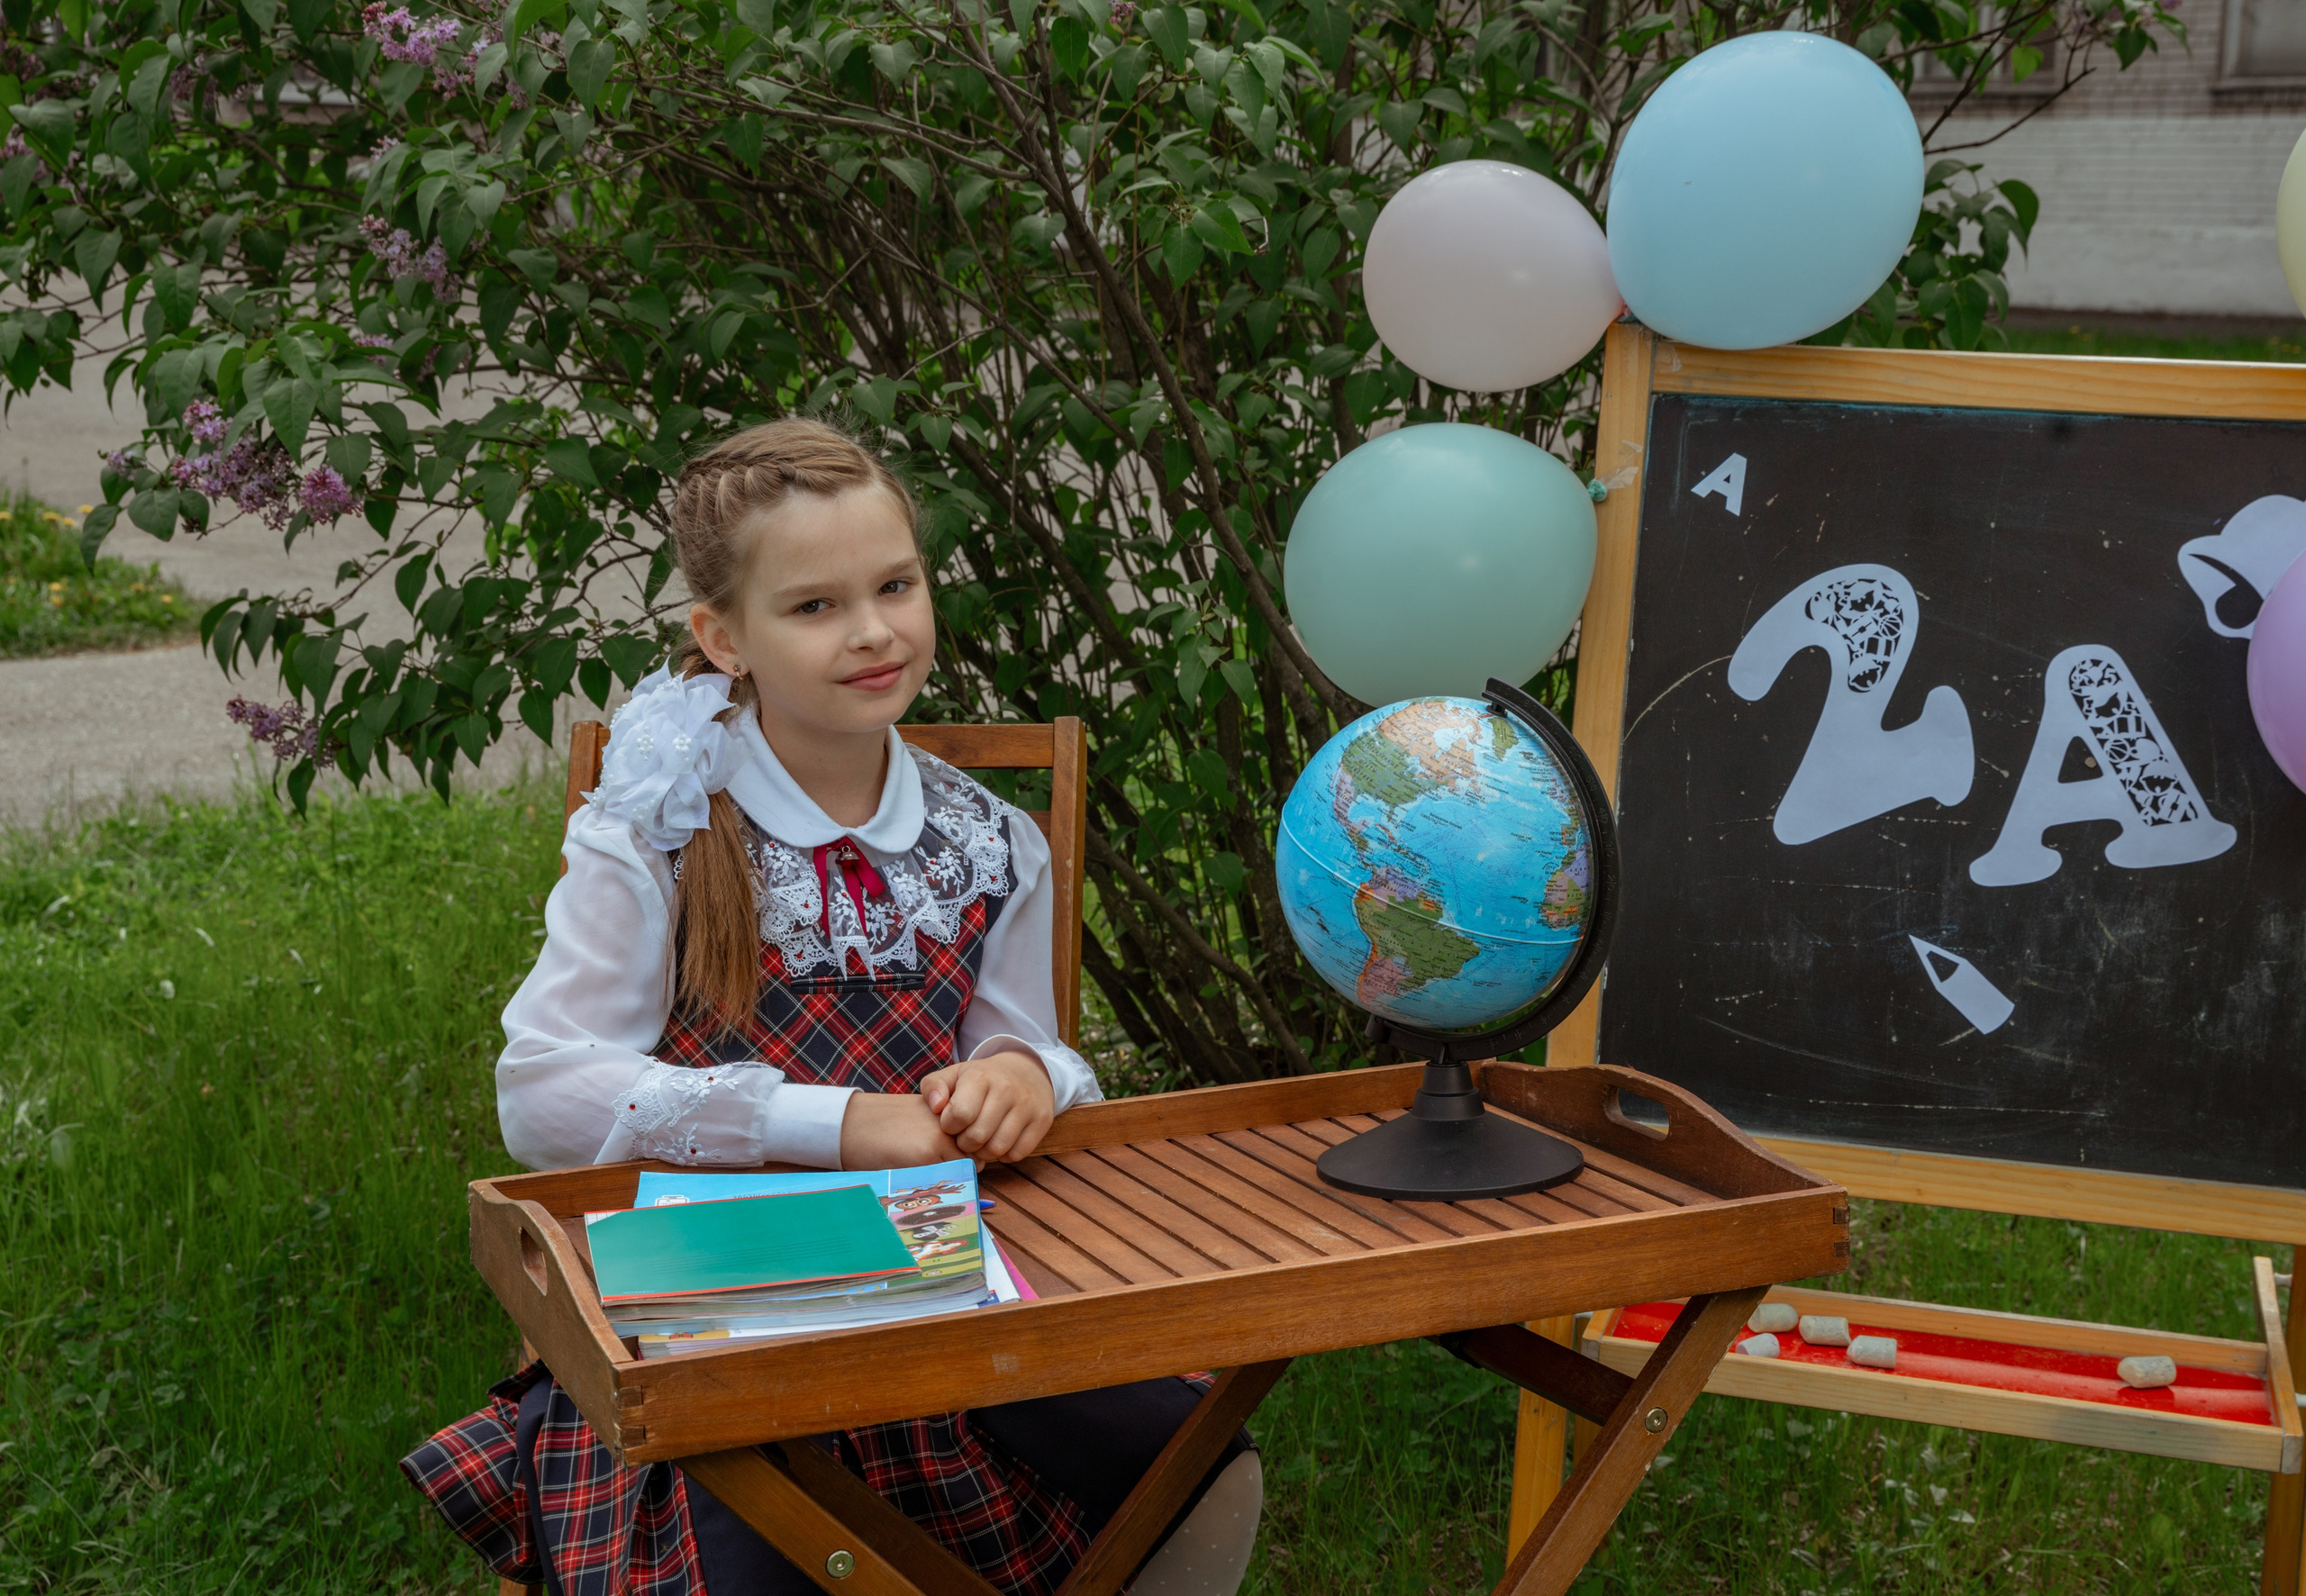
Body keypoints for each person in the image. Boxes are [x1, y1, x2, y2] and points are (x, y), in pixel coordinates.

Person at [401, 419, 1260, 1596]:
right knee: (771, 1553)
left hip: (941, 1287)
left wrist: (1018, 1078)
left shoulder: (988, 842)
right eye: (812, 607)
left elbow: (1032, 1045)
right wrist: (838, 1124)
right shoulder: (658, 830)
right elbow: (541, 1091)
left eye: (896, 586)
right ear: (723, 637)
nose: (872, 632)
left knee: (1199, 1459)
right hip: (712, 1303)